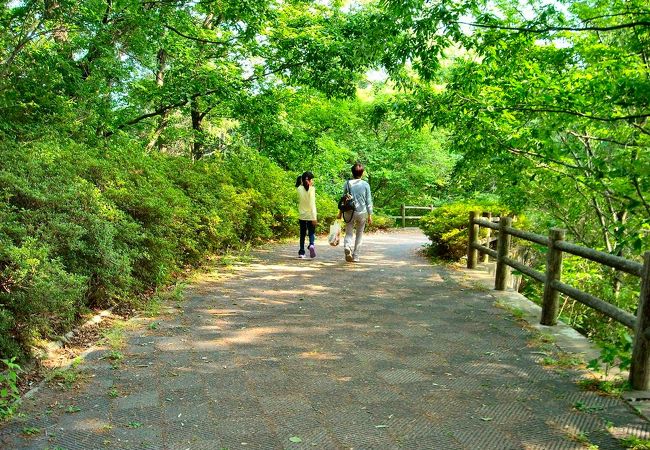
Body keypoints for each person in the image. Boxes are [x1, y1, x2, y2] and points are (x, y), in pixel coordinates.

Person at [337, 162, 373, 262]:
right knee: (359, 234)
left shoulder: (347, 183)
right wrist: (370, 215)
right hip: (362, 212)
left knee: (349, 232)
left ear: (352, 173)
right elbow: (368, 200)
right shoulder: (366, 184)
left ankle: (347, 247)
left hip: (349, 210)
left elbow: (343, 199)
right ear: (362, 173)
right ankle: (356, 256)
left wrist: (340, 213)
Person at [296, 171, 318, 259]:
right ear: (309, 180)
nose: (313, 181)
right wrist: (314, 217)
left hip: (302, 215)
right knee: (311, 232)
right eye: (312, 179)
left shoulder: (299, 189)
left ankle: (301, 252)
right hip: (310, 215)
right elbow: (312, 204)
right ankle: (311, 245)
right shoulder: (312, 189)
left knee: (302, 233)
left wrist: (302, 179)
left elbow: (298, 182)